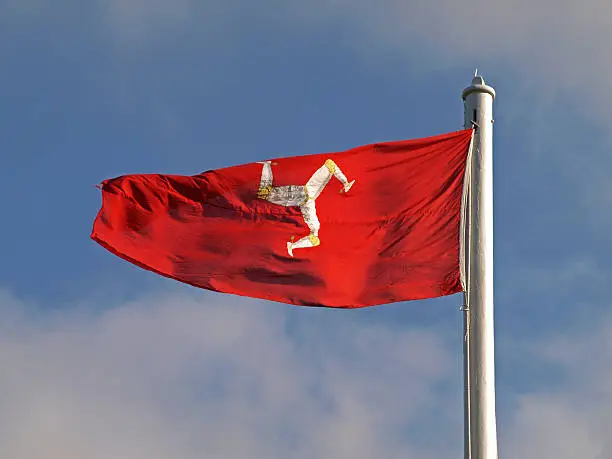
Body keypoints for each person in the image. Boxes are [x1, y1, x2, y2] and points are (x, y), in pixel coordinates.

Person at [257, 159, 355, 257]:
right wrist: (345, 182)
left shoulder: (311, 208)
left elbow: (314, 237)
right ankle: (266, 165)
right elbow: (330, 164)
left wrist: (294, 245)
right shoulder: (313, 187)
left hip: (303, 199)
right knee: (265, 193)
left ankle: (291, 246)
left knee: (315, 239)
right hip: (302, 193)